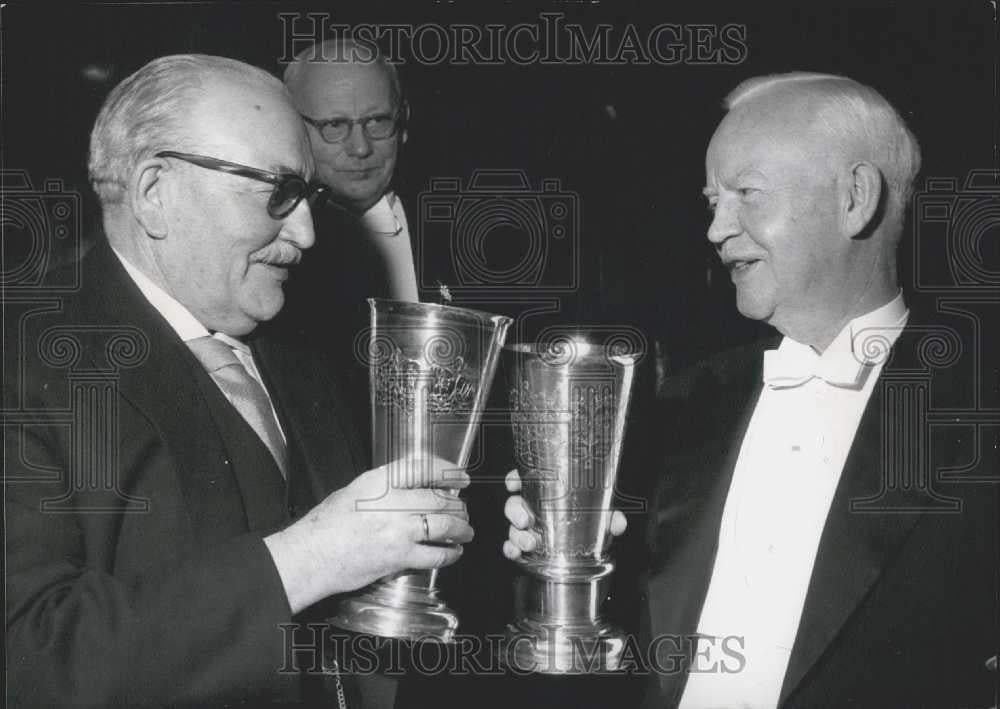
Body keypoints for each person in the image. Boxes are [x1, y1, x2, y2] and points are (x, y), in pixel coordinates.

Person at [506, 72, 997, 707]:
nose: (716, 229)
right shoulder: (680, 404)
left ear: (857, 199)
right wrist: (551, 555)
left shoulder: (974, 419)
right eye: (713, 201)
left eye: (748, 193)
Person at [5, 54, 473, 708]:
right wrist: (305, 560)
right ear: (155, 193)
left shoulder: (301, 340)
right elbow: (28, 658)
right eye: (277, 192)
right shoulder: (21, 360)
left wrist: (493, 545)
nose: (307, 232)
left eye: (308, 196)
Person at [279, 39, 418, 393]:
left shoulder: (469, 237)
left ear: (403, 123)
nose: (360, 148)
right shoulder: (268, 245)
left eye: (377, 121)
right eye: (334, 125)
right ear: (289, 127)